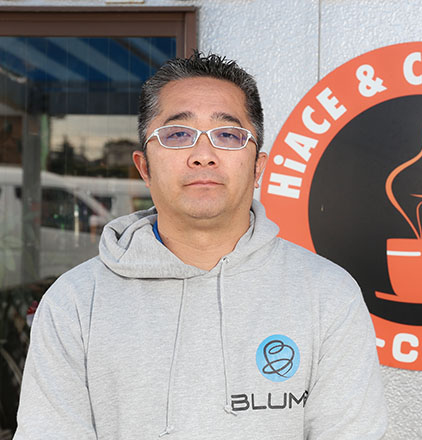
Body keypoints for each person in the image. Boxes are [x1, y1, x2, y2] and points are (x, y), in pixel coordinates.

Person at [14, 52, 387, 439]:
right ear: (144, 167)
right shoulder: (76, 303)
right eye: (178, 135)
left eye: (228, 135)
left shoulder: (327, 294)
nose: (203, 156)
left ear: (258, 167)